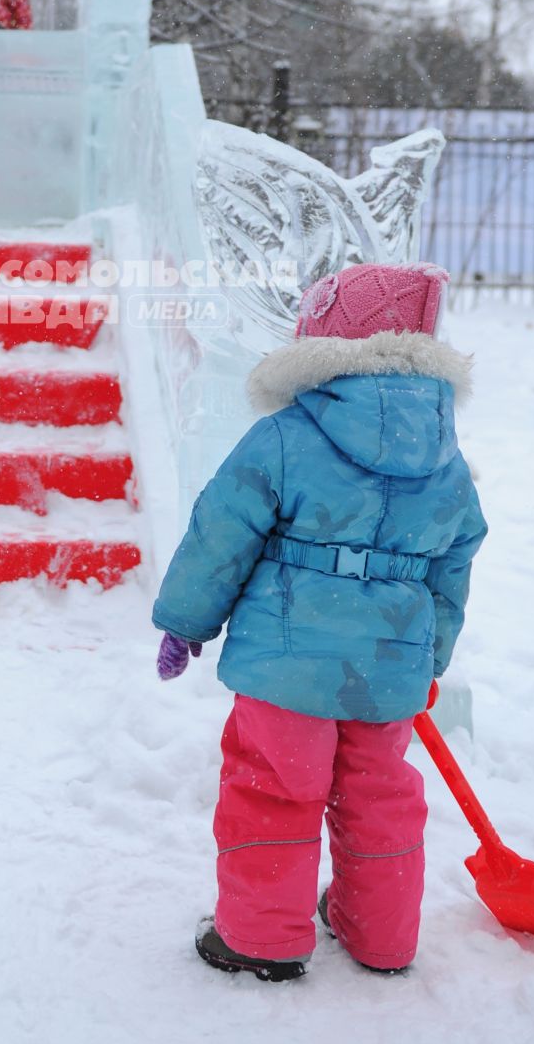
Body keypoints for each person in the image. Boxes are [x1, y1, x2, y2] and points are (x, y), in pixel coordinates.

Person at [152, 262, 487, 983]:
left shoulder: (283, 437)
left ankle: (261, 939)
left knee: (274, 788)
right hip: (387, 665)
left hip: (285, 663)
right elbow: (454, 561)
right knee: (378, 796)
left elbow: (221, 532)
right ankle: (381, 938)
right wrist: (432, 650)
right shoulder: (445, 459)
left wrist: (185, 621)